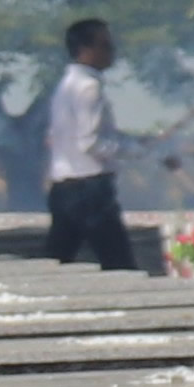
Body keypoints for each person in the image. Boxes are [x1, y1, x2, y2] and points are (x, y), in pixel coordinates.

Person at [40, 18, 137, 270]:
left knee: (55, 261)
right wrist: (131, 151)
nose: (112, 51)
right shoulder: (88, 87)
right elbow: (91, 142)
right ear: (86, 49)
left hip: (64, 187)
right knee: (120, 265)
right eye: (105, 45)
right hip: (89, 189)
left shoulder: (65, 86)